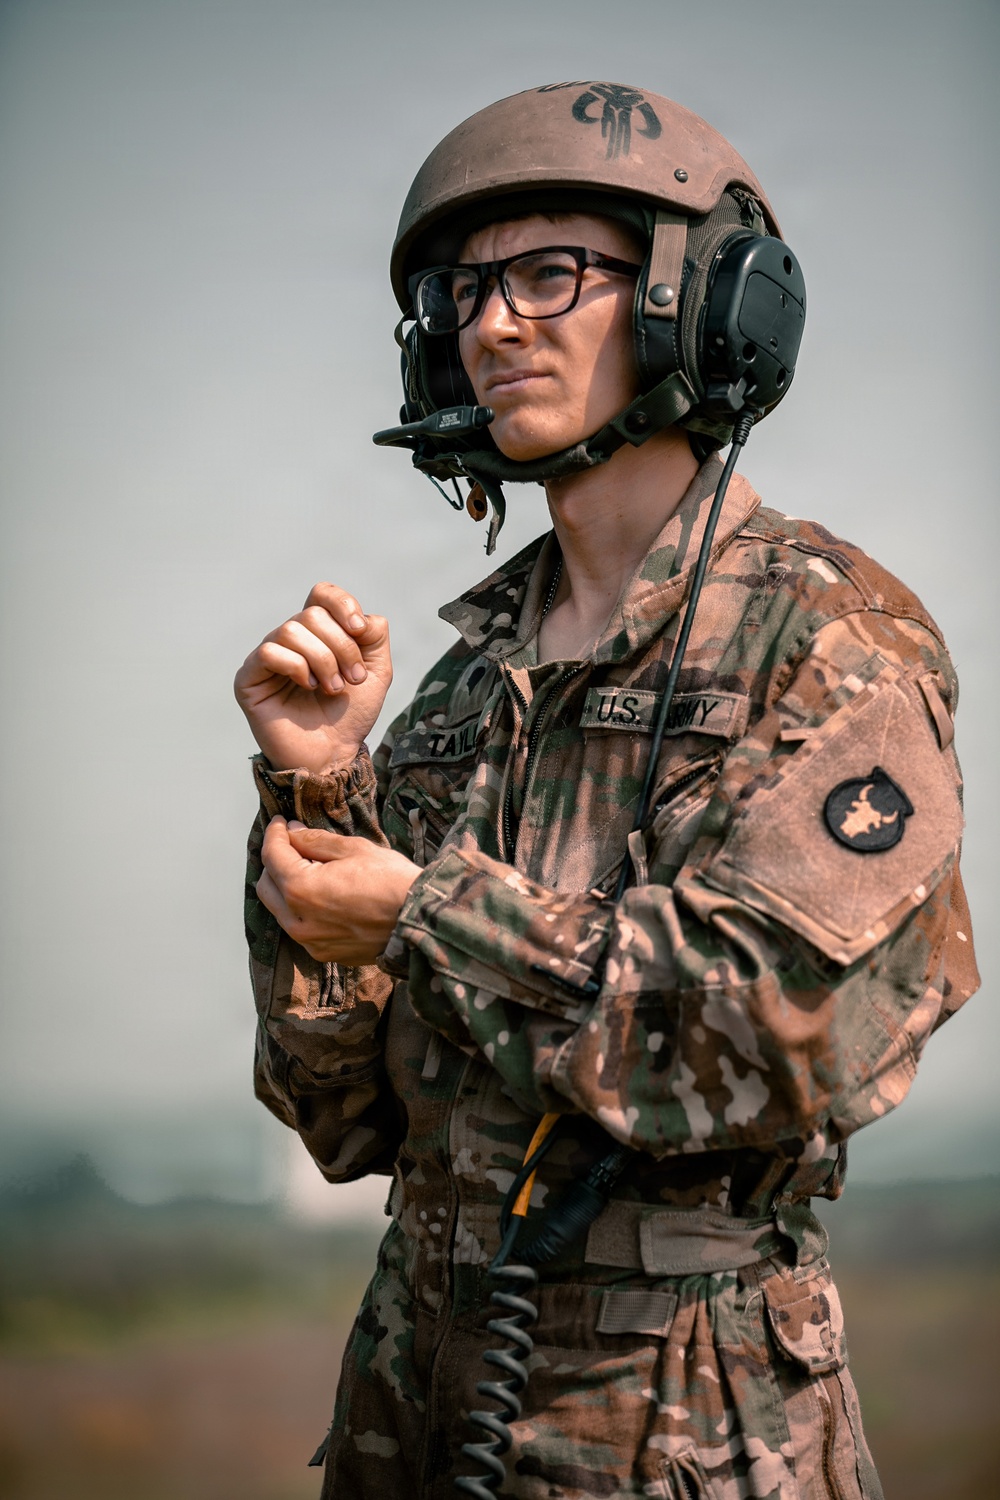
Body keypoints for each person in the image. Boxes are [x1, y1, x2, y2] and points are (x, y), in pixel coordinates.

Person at [235, 83, 980, 1500]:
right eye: (466, 290)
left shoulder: (828, 641)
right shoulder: (463, 691)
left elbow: (777, 1035)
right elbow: (342, 1118)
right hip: (413, 1400)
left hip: (687, 1424)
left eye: (549, 274)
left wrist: (429, 911)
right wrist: (316, 789)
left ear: (705, 305)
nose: (493, 323)